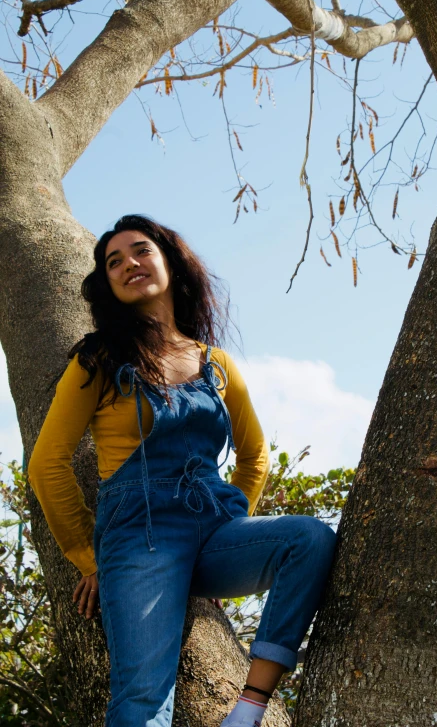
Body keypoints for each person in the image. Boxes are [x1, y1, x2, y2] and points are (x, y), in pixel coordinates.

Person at [28, 214, 337, 727]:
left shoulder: (215, 363)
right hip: (139, 539)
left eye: (141, 250)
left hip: (214, 532)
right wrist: (88, 557)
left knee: (307, 539)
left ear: (170, 260)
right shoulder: (99, 361)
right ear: (107, 285)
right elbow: (47, 464)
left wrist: (231, 519)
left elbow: (254, 455)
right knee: (143, 700)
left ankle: (249, 708)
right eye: (114, 262)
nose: (129, 263)